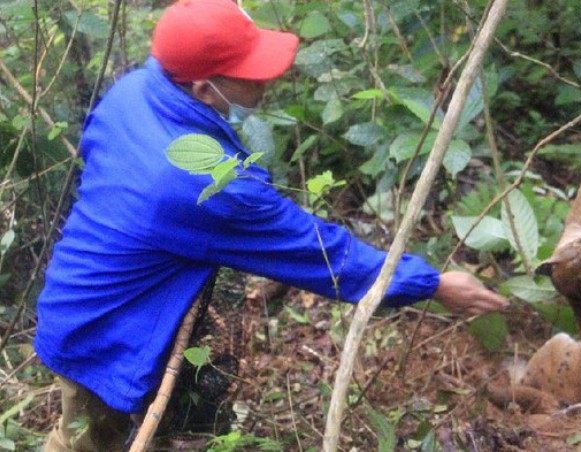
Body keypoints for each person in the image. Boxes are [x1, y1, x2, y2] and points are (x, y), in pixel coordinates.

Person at [35, 0, 508, 450]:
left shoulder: (135, 91)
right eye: (251, 78)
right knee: (85, 442)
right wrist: (432, 283)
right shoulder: (202, 190)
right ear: (203, 88)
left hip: (86, 297)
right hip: (102, 332)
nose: (267, 83)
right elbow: (315, 252)